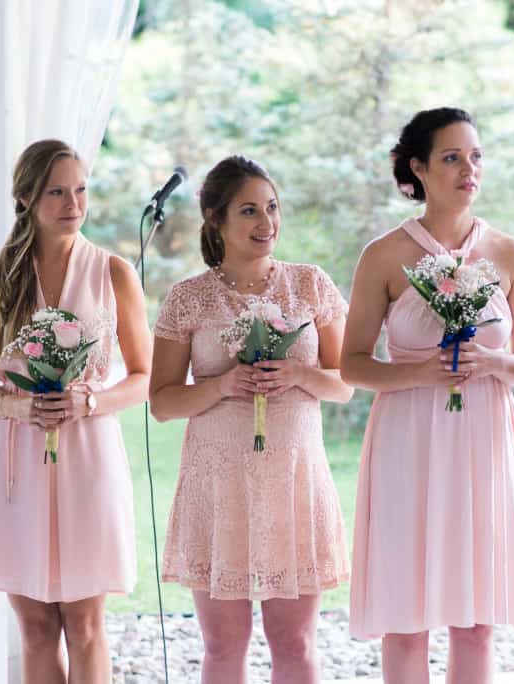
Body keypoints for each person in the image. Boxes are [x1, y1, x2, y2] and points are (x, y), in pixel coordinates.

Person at [342, 107, 514, 684]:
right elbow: (352, 363)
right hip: (407, 438)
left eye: (475, 156)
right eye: (452, 157)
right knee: (406, 618)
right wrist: (420, 372)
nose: (468, 169)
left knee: (477, 620)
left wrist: (494, 361)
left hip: (483, 436)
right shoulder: (383, 255)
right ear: (418, 169)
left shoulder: (509, 253)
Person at [149, 155, 353, 684]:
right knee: (222, 647)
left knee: (294, 642)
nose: (267, 224)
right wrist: (222, 386)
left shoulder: (310, 285)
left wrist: (298, 375)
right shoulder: (188, 297)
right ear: (215, 218)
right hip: (219, 488)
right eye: (249, 211)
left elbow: (346, 383)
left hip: (293, 481)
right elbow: (163, 403)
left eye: (272, 208)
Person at [0, 139, 151, 683]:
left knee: (86, 626)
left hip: (89, 458)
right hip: (16, 459)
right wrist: (14, 406)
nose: (74, 203)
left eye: (81, 190)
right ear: (25, 199)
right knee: (35, 629)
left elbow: (144, 379)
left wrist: (91, 399)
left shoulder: (114, 273)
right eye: (57, 192)